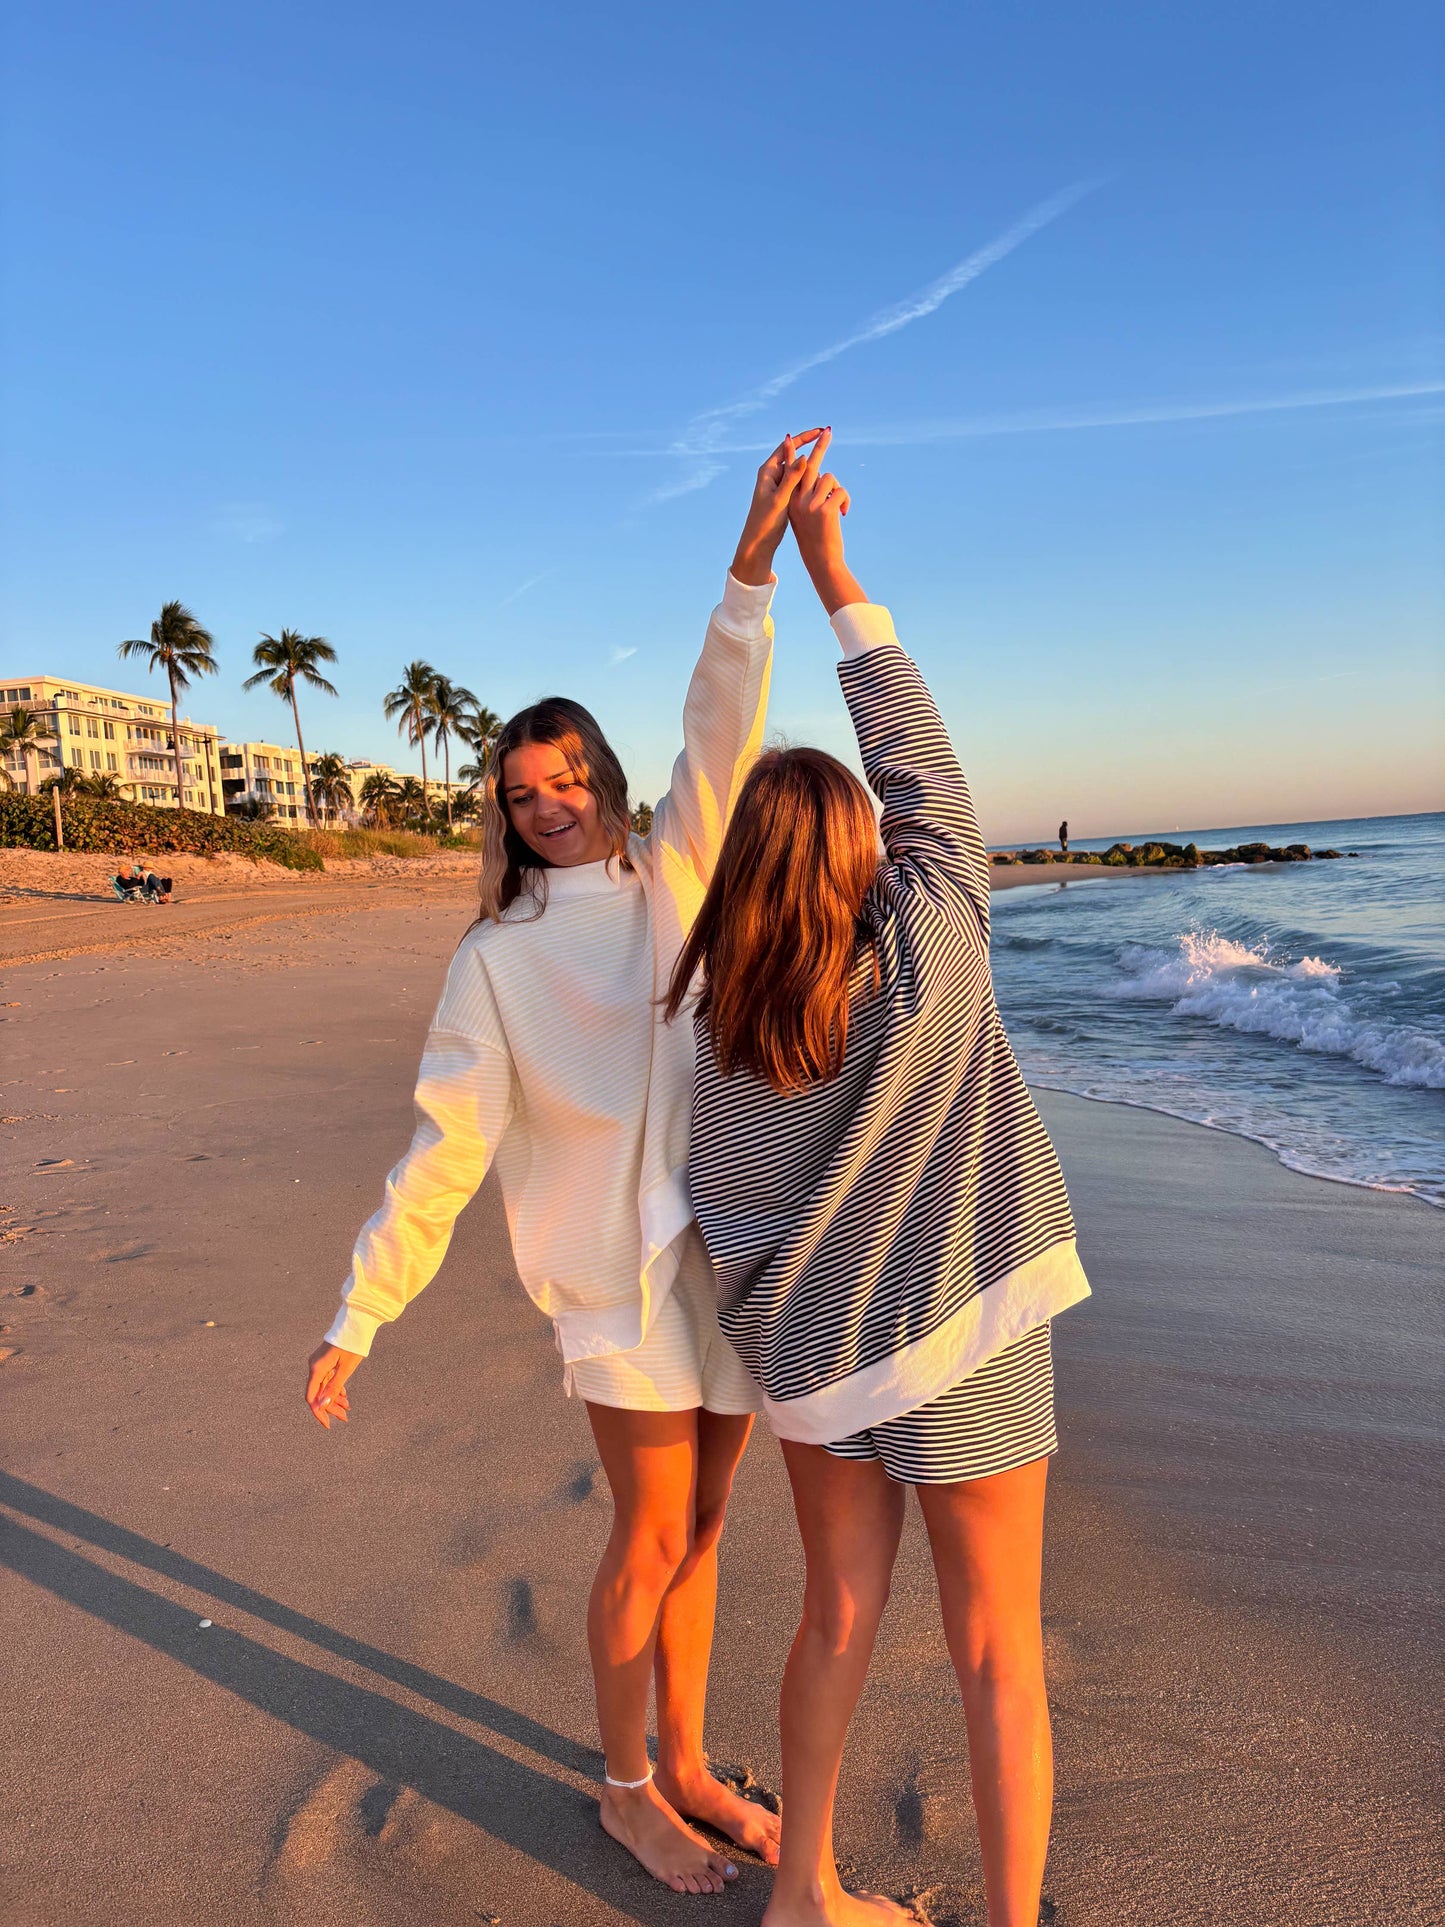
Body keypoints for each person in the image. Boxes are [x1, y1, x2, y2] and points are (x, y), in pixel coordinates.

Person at [303, 432, 829, 1895]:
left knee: (707, 1528)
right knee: (648, 1533)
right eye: (521, 790)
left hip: (720, 1259)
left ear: (598, 775)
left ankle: (686, 1762)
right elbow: (446, 1147)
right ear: (503, 808)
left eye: (565, 776)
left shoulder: (674, 874)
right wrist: (362, 1314)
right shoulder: (495, 958)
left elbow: (720, 730)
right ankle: (620, 1789)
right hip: (608, 1280)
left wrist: (749, 570)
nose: (547, 802)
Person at [670, 454, 1091, 1927]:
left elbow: (724, 1217)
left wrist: (791, 1343)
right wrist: (834, 574)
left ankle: (805, 1894)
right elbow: (932, 787)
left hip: (821, 1372)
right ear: (860, 854)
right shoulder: (932, 945)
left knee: (835, 1616)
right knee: (995, 1653)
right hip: (968, 1325)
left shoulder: (720, 1032)